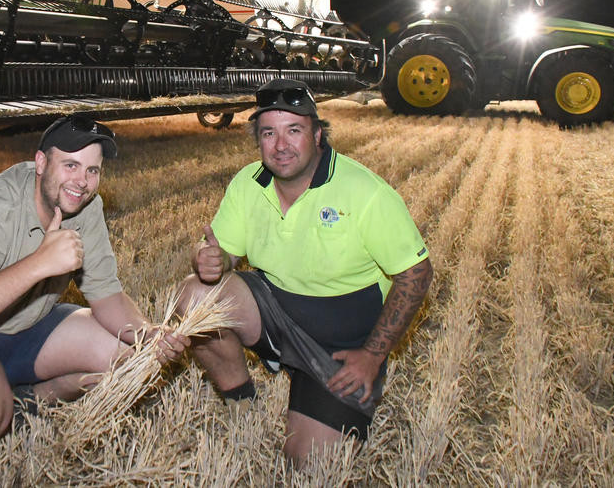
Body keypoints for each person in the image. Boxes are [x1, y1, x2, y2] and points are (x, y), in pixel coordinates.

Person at [0, 114, 188, 457]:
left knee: (125, 360)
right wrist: (39, 264)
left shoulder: (85, 208)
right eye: (71, 165)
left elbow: (107, 296)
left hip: (25, 324)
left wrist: (150, 335)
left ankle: (29, 398)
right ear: (41, 162)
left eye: (93, 170)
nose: (83, 182)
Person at [177, 78, 433, 465]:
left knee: (308, 463)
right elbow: (222, 250)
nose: (280, 145)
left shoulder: (365, 193)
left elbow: (417, 273)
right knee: (195, 294)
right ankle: (240, 396)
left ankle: (313, 384)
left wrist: (372, 355)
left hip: (340, 346)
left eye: (293, 130)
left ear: (317, 134)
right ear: (258, 140)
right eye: (268, 133)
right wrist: (210, 258)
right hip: (275, 314)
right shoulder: (249, 183)